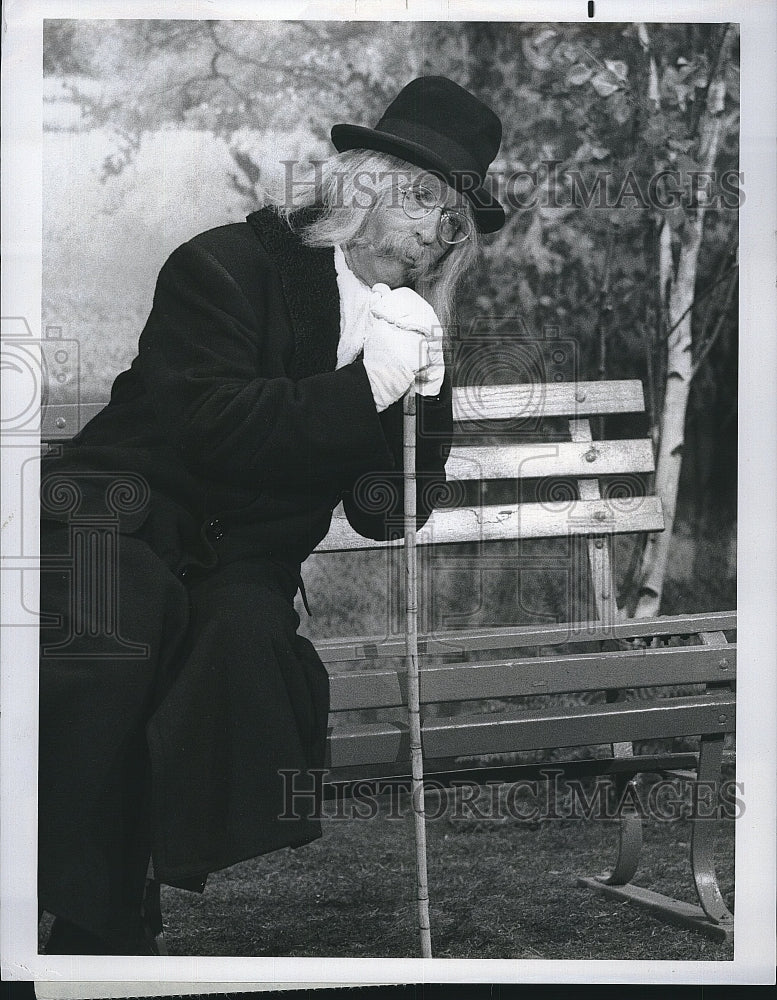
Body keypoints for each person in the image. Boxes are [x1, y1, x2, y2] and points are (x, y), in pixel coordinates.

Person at [38, 75, 505, 955]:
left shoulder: (403, 329)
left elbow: (385, 513)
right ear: (361, 183)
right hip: (118, 519)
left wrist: (423, 403)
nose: (433, 234)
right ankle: (97, 920)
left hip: (239, 560)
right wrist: (360, 384)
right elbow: (211, 427)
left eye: (452, 221)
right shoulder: (222, 264)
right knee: (117, 644)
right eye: (420, 200)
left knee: (237, 650)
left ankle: (118, 894)